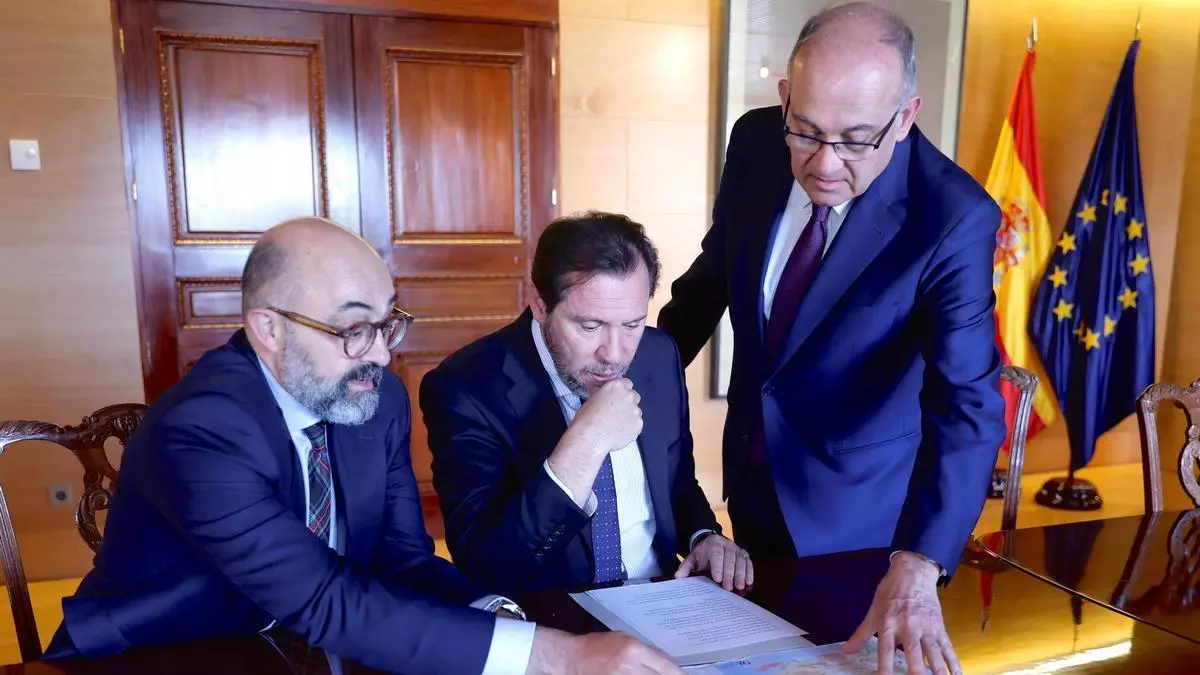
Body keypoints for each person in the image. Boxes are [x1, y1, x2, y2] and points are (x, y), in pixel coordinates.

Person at [45, 217, 684, 675]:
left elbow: (402, 560)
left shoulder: (375, 402)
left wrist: (494, 613)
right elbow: (324, 599)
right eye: (354, 328)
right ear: (268, 329)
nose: (380, 354)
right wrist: (559, 656)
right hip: (163, 652)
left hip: (317, 651)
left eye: (387, 323)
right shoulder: (203, 427)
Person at [656, 4, 1006, 675]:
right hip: (751, 481)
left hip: (860, 526)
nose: (823, 164)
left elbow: (967, 404)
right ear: (786, 97)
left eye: (855, 141)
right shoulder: (755, 141)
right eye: (807, 131)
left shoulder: (952, 218)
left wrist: (919, 563)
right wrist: (631, 376)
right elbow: (709, 282)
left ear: (905, 117)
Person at [421, 211, 752, 597]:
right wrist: (587, 441)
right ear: (540, 305)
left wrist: (703, 536)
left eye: (632, 325)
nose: (614, 354)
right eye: (590, 327)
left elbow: (676, 481)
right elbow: (489, 568)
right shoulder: (466, 388)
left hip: (662, 600)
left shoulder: (659, 354)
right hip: (554, 614)